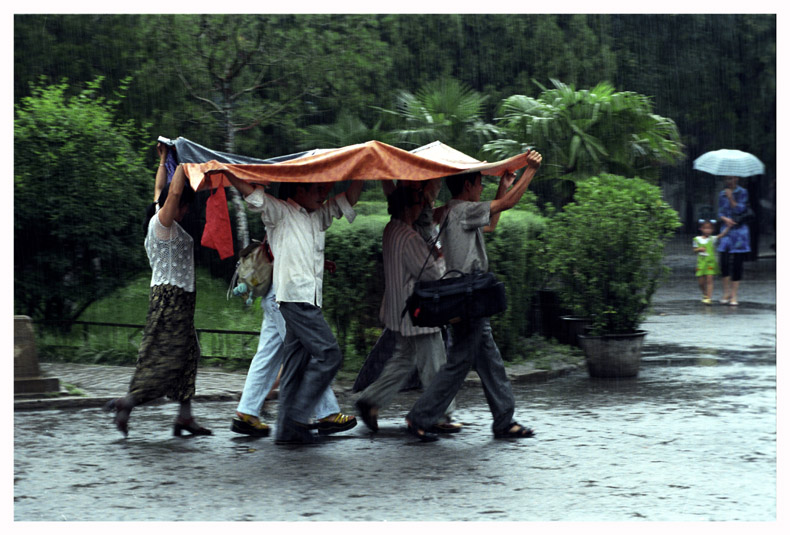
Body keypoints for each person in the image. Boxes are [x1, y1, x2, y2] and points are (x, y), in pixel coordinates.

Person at [404, 150, 543, 442]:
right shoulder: (461, 210)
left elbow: (492, 222)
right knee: (458, 365)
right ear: (467, 186)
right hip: (468, 298)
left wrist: (503, 184)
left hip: (470, 297)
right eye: (479, 183)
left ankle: (504, 420)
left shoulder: (459, 211)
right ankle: (421, 417)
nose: (481, 188)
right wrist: (530, 171)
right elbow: (506, 205)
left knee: (490, 362)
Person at [225, 173, 363, 444]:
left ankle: (284, 427)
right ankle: (308, 415)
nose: (323, 193)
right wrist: (228, 172)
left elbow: (347, 199)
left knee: (291, 361)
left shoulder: (316, 215)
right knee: (328, 354)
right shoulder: (281, 211)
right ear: (298, 188)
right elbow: (254, 196)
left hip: (302, 298)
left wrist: (360, 171)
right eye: (317, 187)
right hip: (294, 299)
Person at [104, 146, 210, 438]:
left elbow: (160, 188)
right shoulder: (163, 224)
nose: (186, 211)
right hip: (171, 298)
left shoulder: (158, 213)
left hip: (179, 298)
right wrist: (184, 159)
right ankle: (128, 402)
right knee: (166, 356)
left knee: (188, 354)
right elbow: (172, 194)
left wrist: (164, 160)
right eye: (184, 206)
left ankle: (185, 417)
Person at [354, 186, 460, 434]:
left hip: (398, 309)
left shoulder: (392, 229)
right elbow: (431, 273)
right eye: (417, 203)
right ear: (406, 207)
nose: (421, 207)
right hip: (418, 312)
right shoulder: (410, 238)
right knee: (434, 362)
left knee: (403, 360)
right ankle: (439, 413)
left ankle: (371, 400)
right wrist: (440, 255)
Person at [231, 260, 357, 438]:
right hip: (285, 292)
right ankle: (327, 414)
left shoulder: (276, 232)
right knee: (305, 350)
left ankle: (247, 411)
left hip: (272, 293)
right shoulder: (289, 232)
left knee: (266, 356)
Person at [716, 176, 751, 306]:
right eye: (726, 179)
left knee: (737, 263)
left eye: (731, 178)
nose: (728, 181)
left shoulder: (743, 192)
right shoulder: (721, 194)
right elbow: (720, 212)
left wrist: (731, 198)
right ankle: (726, 292)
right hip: (726, 230)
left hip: (740, 232)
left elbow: (740, 209)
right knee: (723, 261)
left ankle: (734, 294)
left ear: (736, 178)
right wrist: (725, 219)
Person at [693, 219, 732, 305]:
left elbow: (722, 235)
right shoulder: (696, 239)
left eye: (709, 228)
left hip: (710, 262)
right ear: (701, 229)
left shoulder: (712, 239)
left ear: (712, 230)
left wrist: (728, 227)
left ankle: (709, 298)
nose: (707, 230)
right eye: (705, 228)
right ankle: (705, 294)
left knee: (710, 279)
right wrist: (699, 249)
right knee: (701, 282)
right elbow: (694, 250)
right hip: (701, 263)